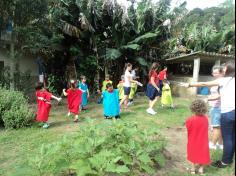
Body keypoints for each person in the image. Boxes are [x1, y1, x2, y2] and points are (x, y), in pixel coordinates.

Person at [187, 60, 235, 168]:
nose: (224, 68)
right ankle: (229, 159)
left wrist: (190, 84)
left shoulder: (225, 80)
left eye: (225, 67)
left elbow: (205, 83)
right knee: (232, 137)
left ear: (229, 69)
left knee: (227, 138)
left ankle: (225, 162)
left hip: (228, 112)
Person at [186, 99, 210, 175]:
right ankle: (201, 169)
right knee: (203, 153)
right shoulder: (205, 119)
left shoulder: (190, 120)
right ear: (204, 108)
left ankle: (193, 169)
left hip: (193, 140)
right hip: (203, 141)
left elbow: (188, 129)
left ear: (192, 108)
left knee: (192, 153)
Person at [208, 65, 224, 150]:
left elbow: (221, 95)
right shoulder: (215, 82)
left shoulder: (222, 82)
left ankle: (213, 144)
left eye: (217, 72)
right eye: (213, 73)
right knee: (220, 126)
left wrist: (209, 98)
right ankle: (220, 144)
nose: (215, 74)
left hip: (218, 107)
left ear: (221, 73)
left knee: (216, 126)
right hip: (214, 106)